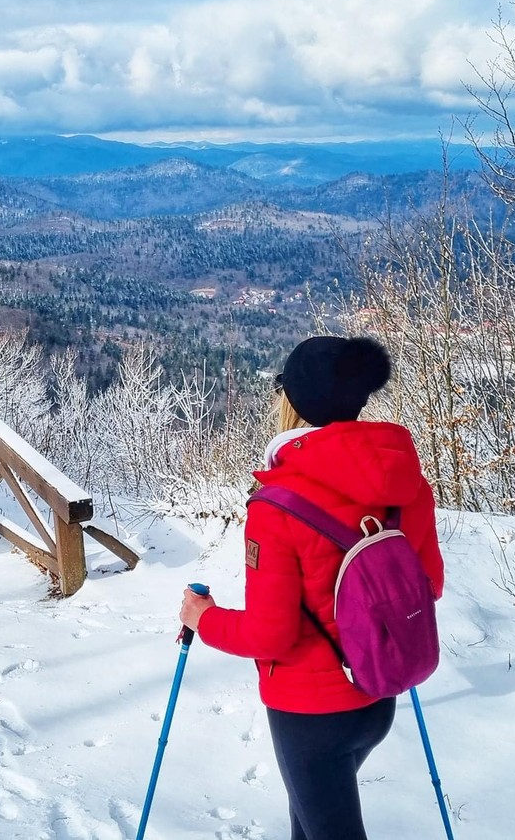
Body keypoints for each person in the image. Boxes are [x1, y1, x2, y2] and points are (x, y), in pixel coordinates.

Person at [178, 335, 445, 840]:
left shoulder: (277, 505)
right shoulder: (403, 480)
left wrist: (202, 617)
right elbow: (426, 585)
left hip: (310, 713)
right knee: (313, 822)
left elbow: (270, 636)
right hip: (378, 691)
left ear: (292, 401)